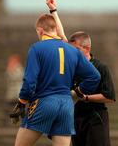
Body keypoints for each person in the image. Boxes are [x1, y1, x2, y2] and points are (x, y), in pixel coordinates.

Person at [10, 13, 101, 146]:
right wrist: (79, 92)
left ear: (40, 30)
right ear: (55, 29)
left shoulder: (37, 48)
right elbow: (95, 77)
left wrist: (22, 101)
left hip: (44, 102)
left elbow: (29, 83)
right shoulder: (73, 51)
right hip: (66, 105)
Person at [46, 0, 116, 146]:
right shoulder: (72, 63)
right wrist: (53, 10)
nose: (72, 52)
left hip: (95, 117)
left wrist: (85, 97)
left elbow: (109, 97)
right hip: (76, 117)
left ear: (87, 48)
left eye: (76, 49)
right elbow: (61, 35)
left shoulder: (100, 67)